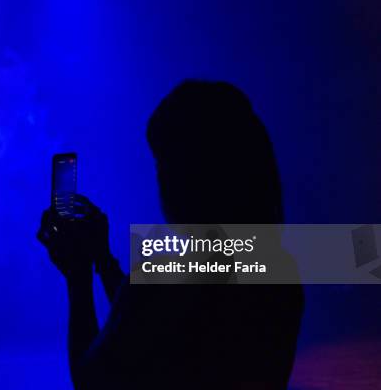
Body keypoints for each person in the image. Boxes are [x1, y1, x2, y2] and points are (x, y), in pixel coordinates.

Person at [37, 80, 304, 389]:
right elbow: (151, 323)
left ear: (189, 175)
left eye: (162, 163)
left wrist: (78, 277)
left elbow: (92, 381)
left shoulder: (169, 276)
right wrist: (104, 258)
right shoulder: (279, 268)